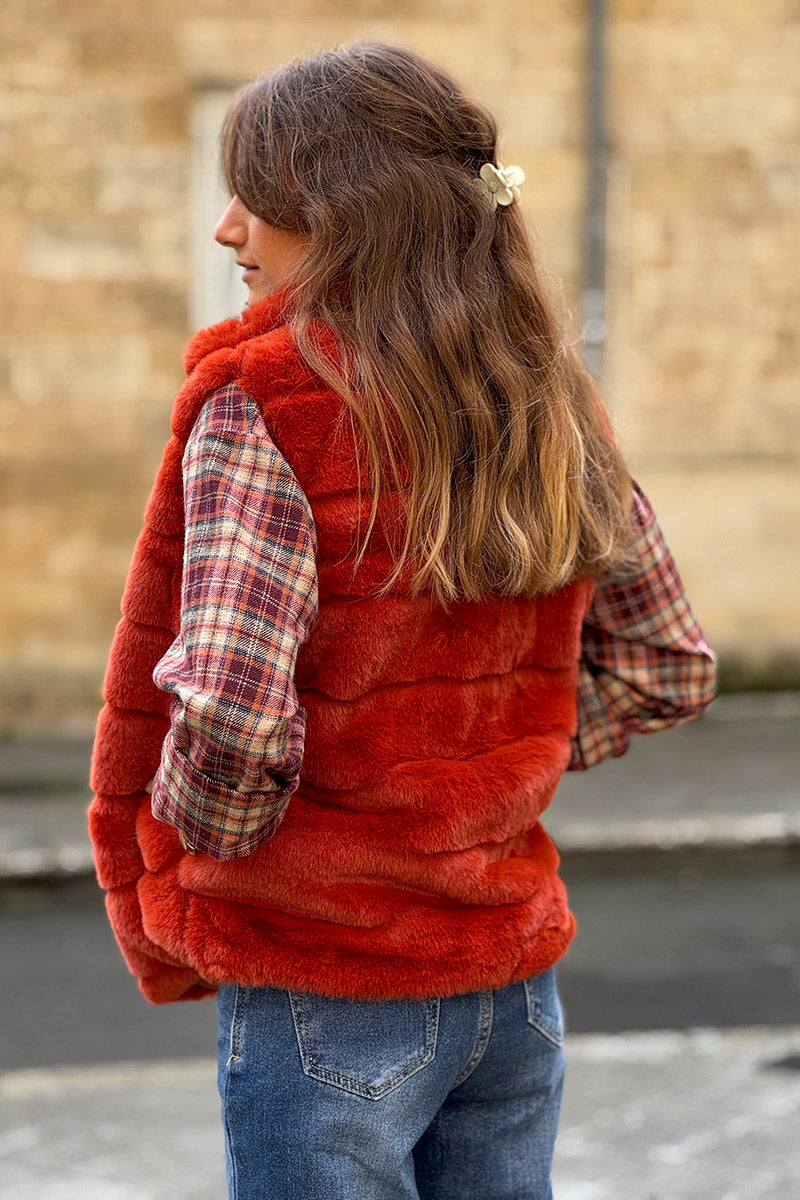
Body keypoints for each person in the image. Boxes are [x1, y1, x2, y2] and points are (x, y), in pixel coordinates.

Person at [89, 41, 716, 1200]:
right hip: (510, 985)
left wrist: (191, 856)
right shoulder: (542, 393)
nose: (226, 228)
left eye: (257, 195)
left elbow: (231, 717)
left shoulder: (267, 402)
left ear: (344, 212)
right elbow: (663, 664)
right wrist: (480, 775)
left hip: (327, 978)